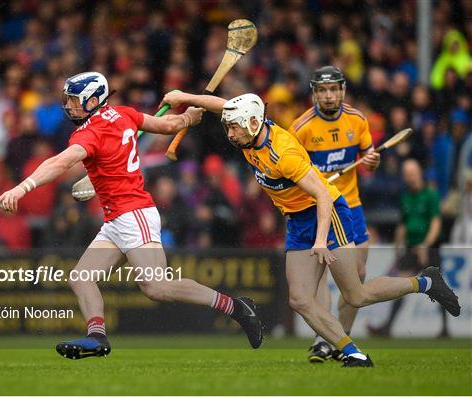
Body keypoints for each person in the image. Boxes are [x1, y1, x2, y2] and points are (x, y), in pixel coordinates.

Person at [161, 90, 461, 367]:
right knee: (300, 299)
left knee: (355, 295)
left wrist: (320, 241)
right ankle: (353, 352)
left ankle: (425, 283)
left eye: (234, 128)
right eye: (229, 127)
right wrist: (184, 97)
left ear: (253, 122)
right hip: (297, 220)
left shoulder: (284, 154)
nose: (230, 133)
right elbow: (222, 106)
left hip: (328, 215)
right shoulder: (247, 132)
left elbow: (322, 196)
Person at [0, 71, 263, 359]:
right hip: (117, 219)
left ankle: (235, 307)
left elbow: (60, 162)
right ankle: (97, 337)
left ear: (93, 100)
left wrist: (22, 188)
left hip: (134, 213)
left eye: (74, 100)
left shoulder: (89, 133)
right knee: (81, 277)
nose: (69, 106)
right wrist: (187, 118)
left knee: (156, 286)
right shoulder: (123, 114)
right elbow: (167, 124)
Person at [289, 66, 380, 362]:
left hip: (350, 205)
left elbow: (369, 160)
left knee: (358, 277)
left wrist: (371, 162)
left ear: (342, 91)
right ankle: (325, 339)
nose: (328, 96)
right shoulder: (301, 127)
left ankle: (341, 337)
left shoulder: (358, 120)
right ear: (314, 93)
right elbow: (291, 171)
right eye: (322, 90)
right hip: (315, 207)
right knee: (320, 273)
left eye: (333, 90)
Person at [368, 159, 447, 337]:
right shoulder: (405, 197)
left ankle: (445, 328)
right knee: (401, 285)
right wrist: (397, 249)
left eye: (411, 173)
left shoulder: (431, 195)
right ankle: (387, 327)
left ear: (419, 173)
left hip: (430, 248)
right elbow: (403, 225)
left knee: (438, 288)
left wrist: (426, 245)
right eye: (406, 174)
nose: (409, 177)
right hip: (411, 248)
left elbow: (435, 222)